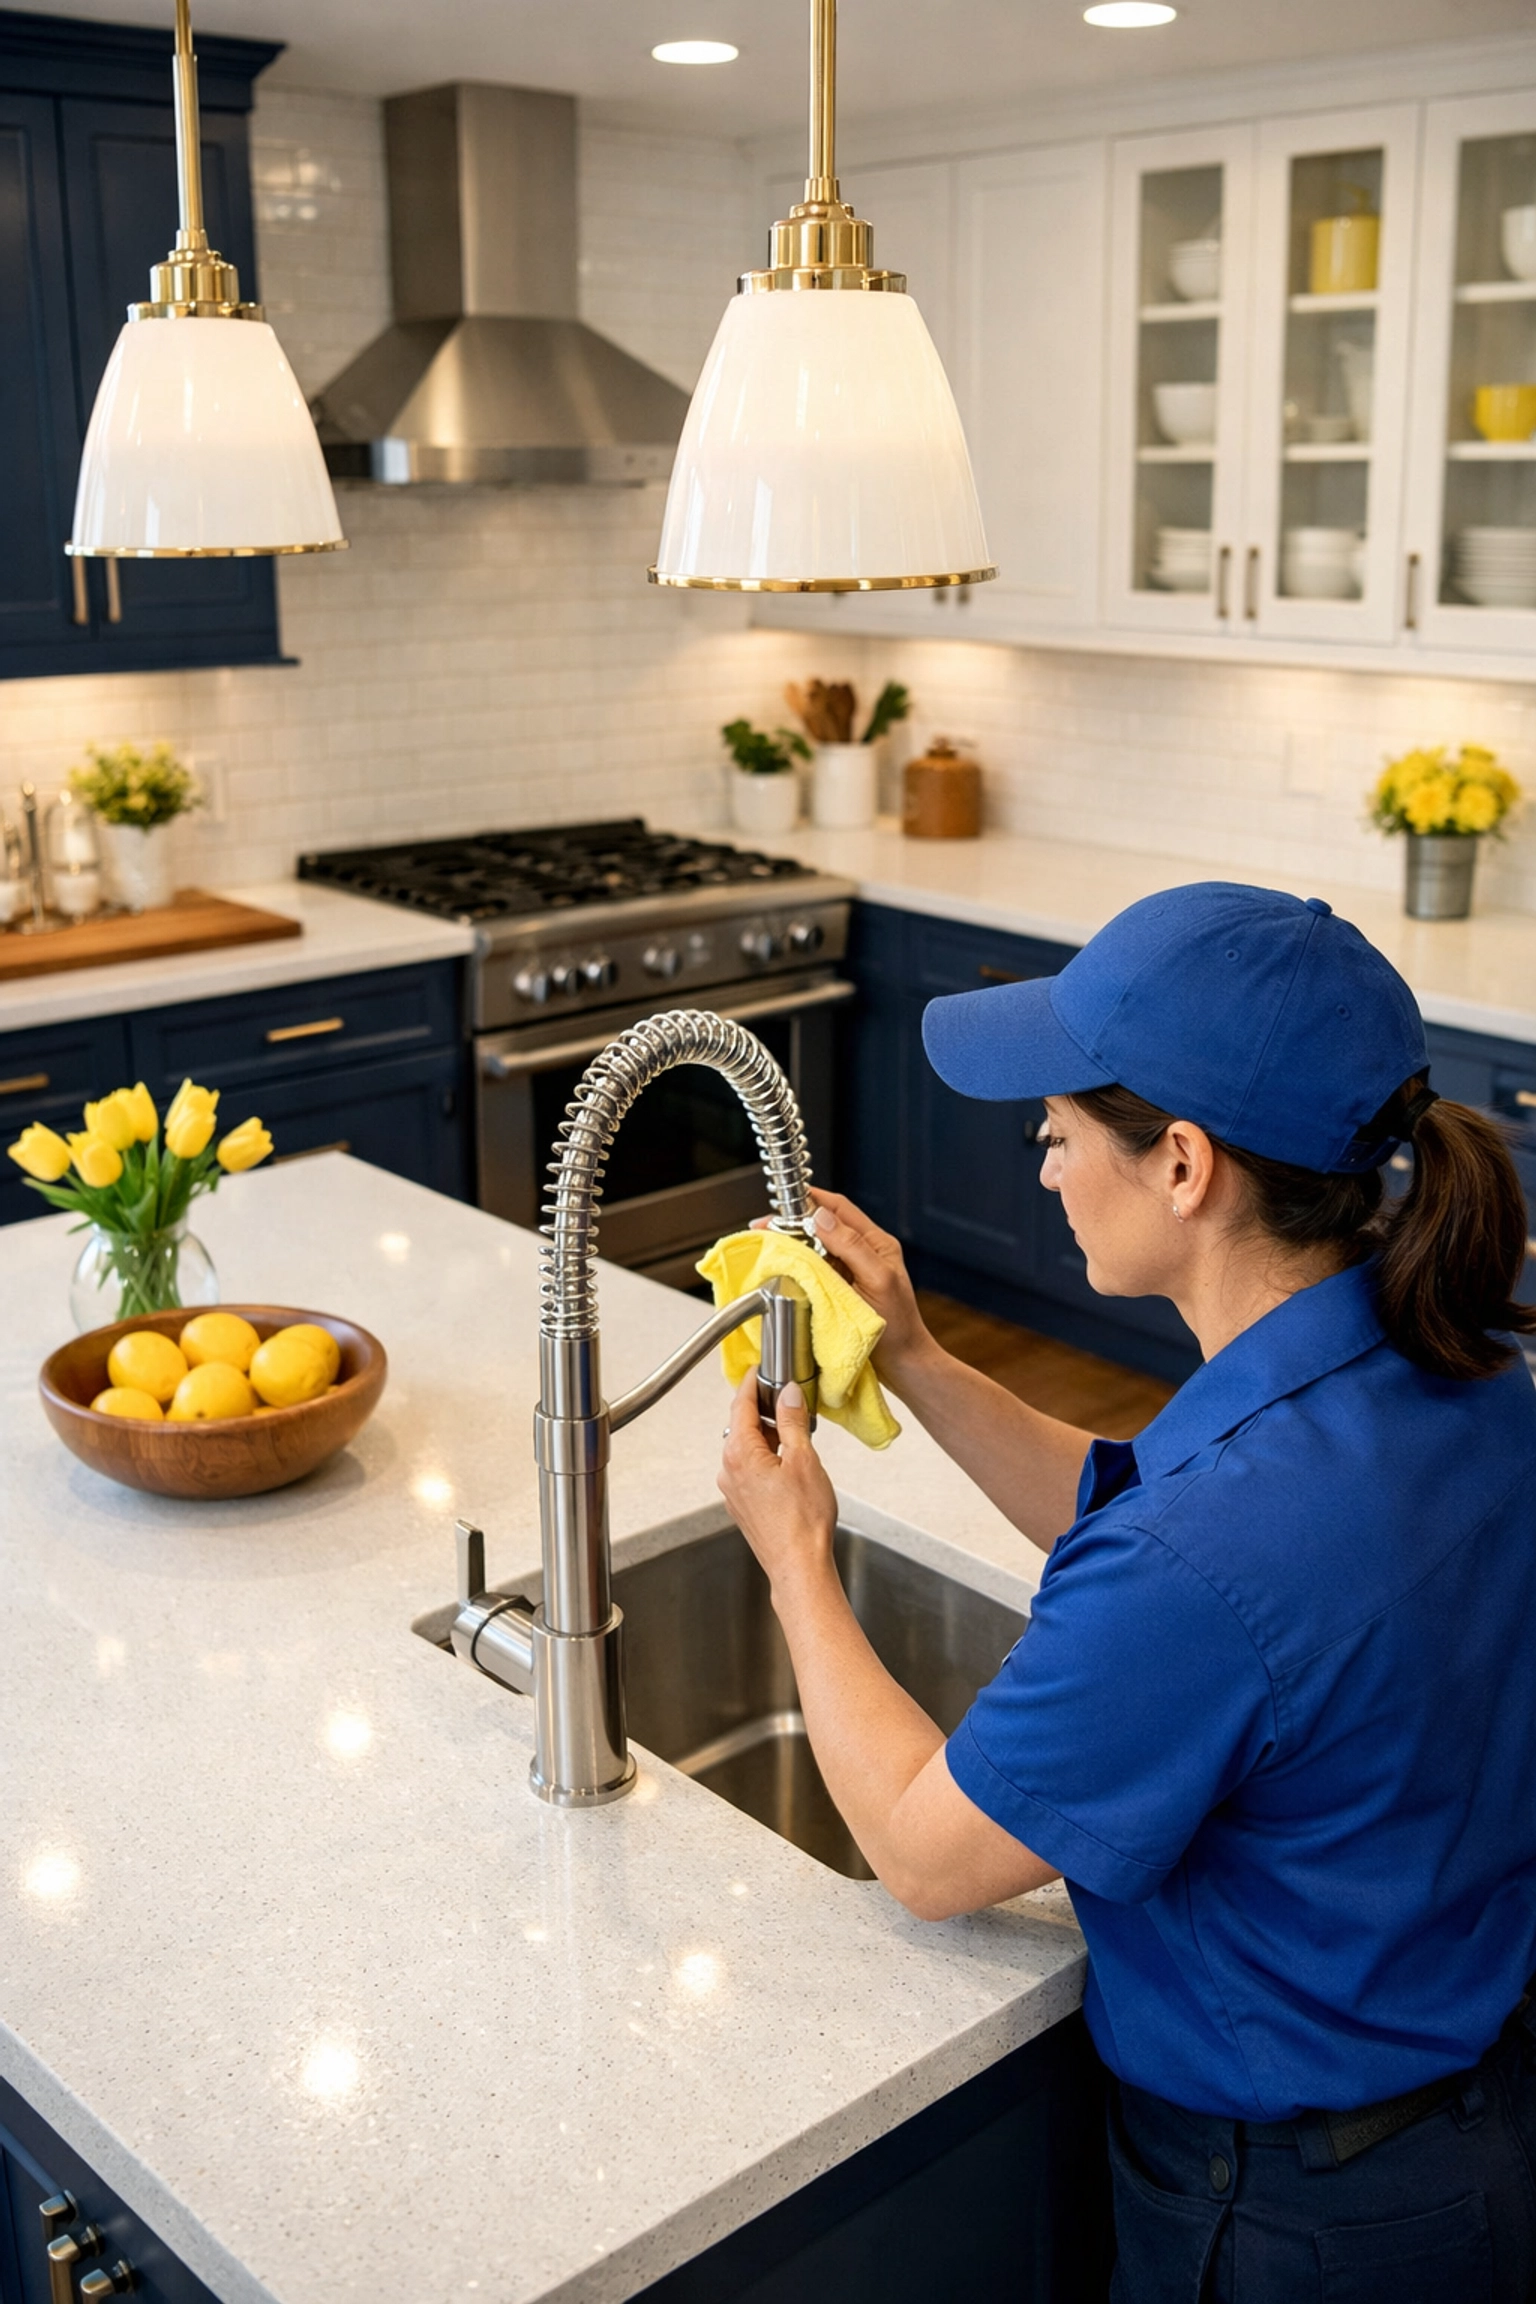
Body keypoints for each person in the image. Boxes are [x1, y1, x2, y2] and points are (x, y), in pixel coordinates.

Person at [717, 882, 1536, 2304]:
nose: (1040, 1167)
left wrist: (795, 1554)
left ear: (1182, 1167)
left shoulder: (1208, 1559)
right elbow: (1154, 1519)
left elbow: (925, 1857)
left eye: (1057, 1133)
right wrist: (913, 1353)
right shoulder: (1450, 1374)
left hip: (1292, 2222)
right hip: (1468, 2137)